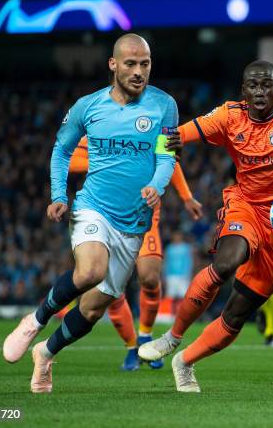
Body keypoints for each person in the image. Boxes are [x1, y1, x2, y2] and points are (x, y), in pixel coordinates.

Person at [139, 60, 273, 393]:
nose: (260, 92)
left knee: (236, 314)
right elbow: (173, 138)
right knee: (225, 263)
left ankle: (184, 362)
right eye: (253, 86)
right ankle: (172, 337)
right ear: (243, 92)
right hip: (245, 206)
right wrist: (163, 158)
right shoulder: (229, 116)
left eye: (267, 85)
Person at [1, 33, 178, 393]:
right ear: (113, 65)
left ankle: (46, 353)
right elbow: (62, 150)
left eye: (145, 63)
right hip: (93, 208)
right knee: (90, 272)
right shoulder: (88, 106)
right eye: (130, 63)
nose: (138, 71)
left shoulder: (164, 105)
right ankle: (35, 320)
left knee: (96, 308)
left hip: (134, 222)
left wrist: (156, 186)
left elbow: (166, 155)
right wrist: (57, 194)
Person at [68, 137, 203, 371]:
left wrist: (186, 196)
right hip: (105, 212)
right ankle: (131, 348)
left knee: (150, 277)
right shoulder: (99, 122)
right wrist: (109, 163)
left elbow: (167, 157)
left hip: (144, 211)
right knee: (109, 286)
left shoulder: (151, 121)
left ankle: (145, 336)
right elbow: (70, 160)